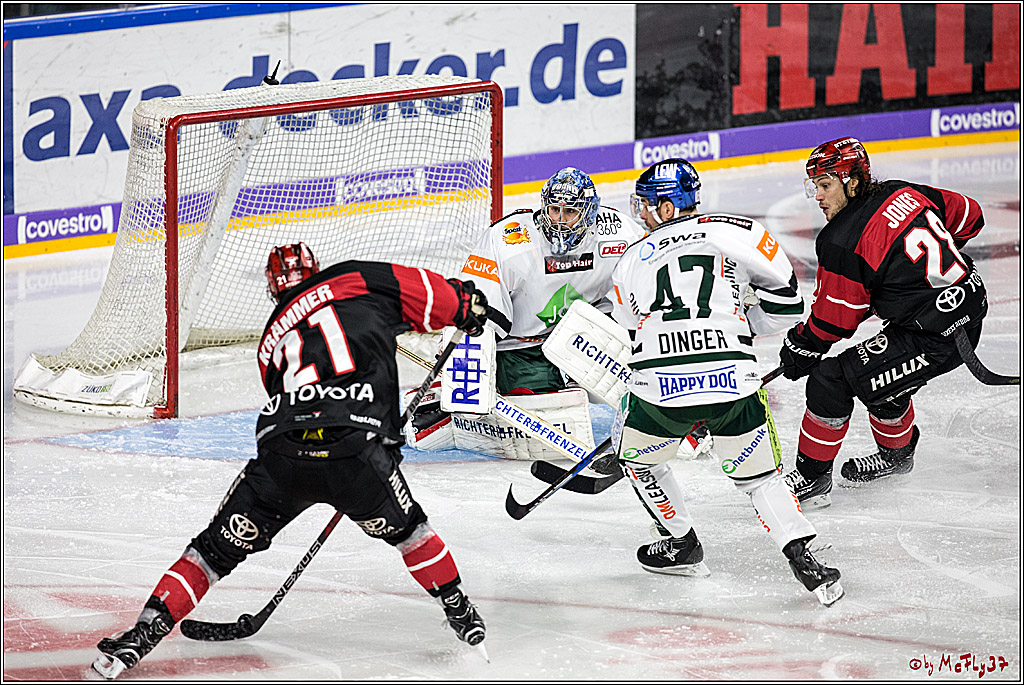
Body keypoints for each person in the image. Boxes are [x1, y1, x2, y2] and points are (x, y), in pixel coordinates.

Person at [92, 243, 491, 679]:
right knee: (410, 532)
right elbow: (443, 300)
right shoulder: (357, 278)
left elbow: (296, 394)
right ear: (316, 269)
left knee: (210, 552)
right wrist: (466, 306)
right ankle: (459, 609)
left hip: (282, 455)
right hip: (355, 453)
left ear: (272, 289)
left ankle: (141, 634)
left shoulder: (270, 337)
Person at [607, 158, 844, 605]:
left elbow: (631, 326)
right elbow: (789, 305)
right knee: (761, 479)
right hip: (733, 379)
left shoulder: (630, 259)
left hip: (659, 389)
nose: (641, 213)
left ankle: (681, 544)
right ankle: (804, 559)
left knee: (637, 461)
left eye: (646, 204)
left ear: (665, 207)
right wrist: (737, 322)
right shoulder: (739, 230)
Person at [779, 137, 987, 509]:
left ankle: (812, 480)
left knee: (830, 380)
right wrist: (921, 276)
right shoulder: (902, 191)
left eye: (825, 185)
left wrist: (801, 346)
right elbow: (970, 215)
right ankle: (897, 457)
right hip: (969, 310)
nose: (818, 197)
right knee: (880, 375)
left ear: (852, 181)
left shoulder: (843, 239)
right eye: (815, 187)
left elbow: (834, 322)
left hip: (934, 337)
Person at [406, 167, 646, 460]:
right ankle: (440, 402)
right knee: (548, 415)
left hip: (584, 335)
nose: (559, 221)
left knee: (633, 381)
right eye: (554, 210)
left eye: (569, 212)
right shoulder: (509, 241)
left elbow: (647, 288)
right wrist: (467, 381)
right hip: (521, 346)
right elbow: (474, 315)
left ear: (589, 214)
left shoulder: (621, 234)